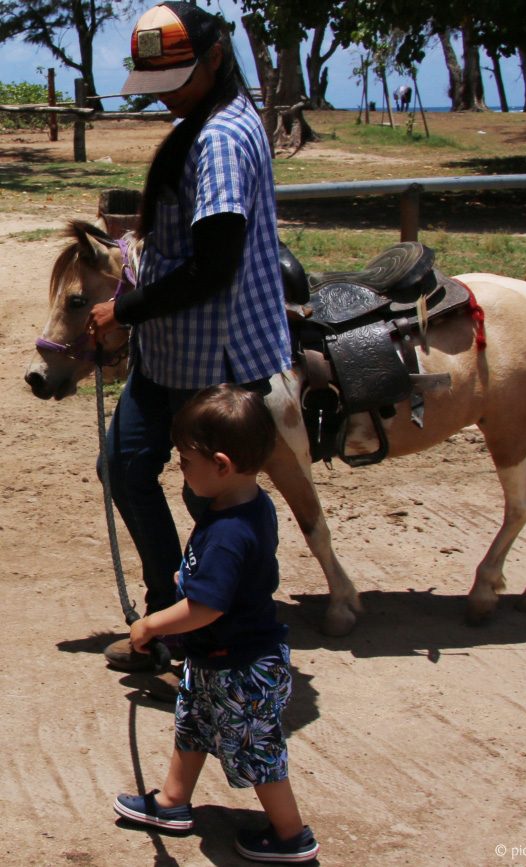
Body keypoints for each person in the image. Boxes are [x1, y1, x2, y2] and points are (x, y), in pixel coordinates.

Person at [84, 2, 291, 670]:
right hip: (169, 352)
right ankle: (168, 612)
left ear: (217, 58)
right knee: (123, 464)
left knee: (215, 501)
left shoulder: (222, 138)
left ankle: (208, 637)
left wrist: (127, 310)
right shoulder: (203, 123)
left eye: (178, 79)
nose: (167, 96)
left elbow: (214, 266)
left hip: (213, 357)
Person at [113, 384, 319, 863]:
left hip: (241, 668)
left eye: (185, 460)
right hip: (217, 660)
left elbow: (207, 607)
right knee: (194, 726)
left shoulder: (227, 532)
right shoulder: (249, 503)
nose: (178, 468)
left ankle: (291, 835)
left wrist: (152, 626)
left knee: (258, 754)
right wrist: (190, 573)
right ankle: (171, 801)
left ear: (222, 465)